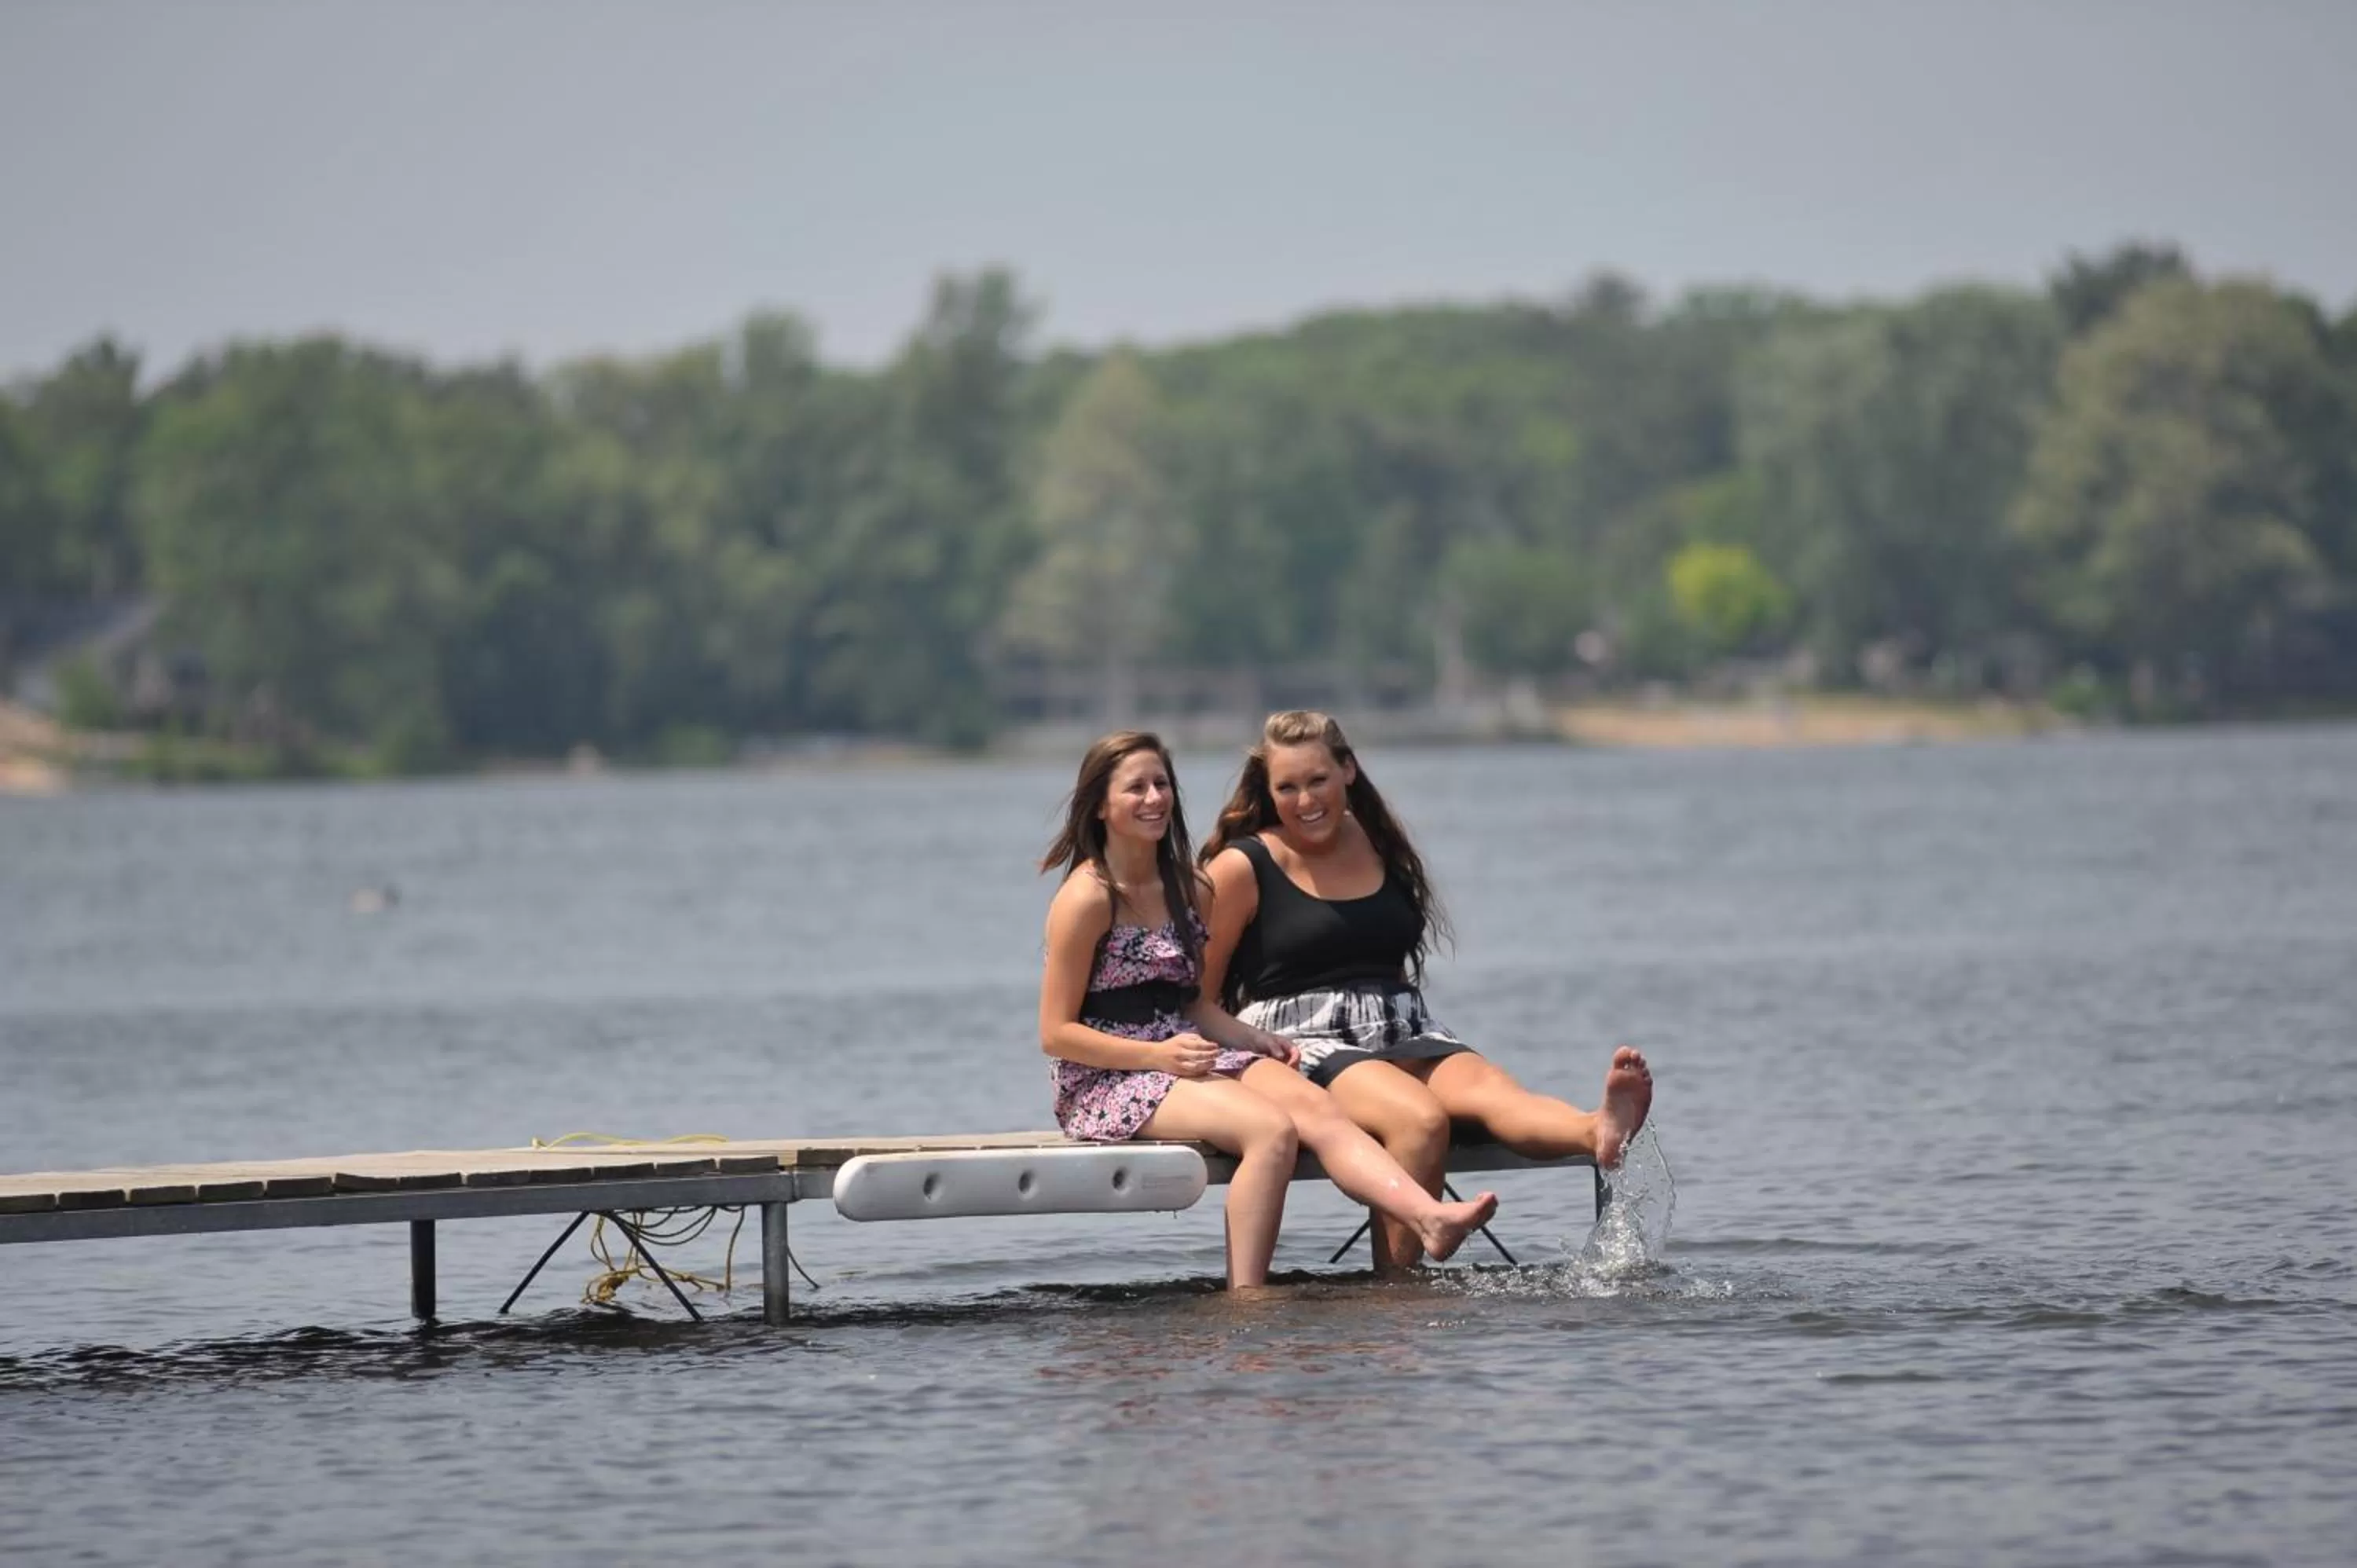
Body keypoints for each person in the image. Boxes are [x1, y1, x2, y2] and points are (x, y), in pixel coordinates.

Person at [1039, 730, 1501, 1291]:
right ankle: (1248, 1298)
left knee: (1318, 1108)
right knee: (1271, 1130)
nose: (1155, 798)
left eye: (1162, 784)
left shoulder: (1187, 886)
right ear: (1101, 806)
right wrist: (1155, 1054)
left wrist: (1248, 1037)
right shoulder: (1087, 898)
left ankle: (1426, 1216)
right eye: (1136, 788)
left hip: (1185, 1050)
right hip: (1108, 1075)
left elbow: (1189, 1001)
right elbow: (1056, 1033)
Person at [1199, 710, 1654, 1274]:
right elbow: (1197, 993)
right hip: (1302, 1040)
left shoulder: (1376, 843)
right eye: (1286, 787)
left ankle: (1596, 1130)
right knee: (1420, 1119)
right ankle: (1398, 1294)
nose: (1305, 800)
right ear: (1267, 793)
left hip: (1404, 1025)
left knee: (1495, 1096)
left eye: (1317, 780)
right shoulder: (1243, 866)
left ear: (1348, 770)